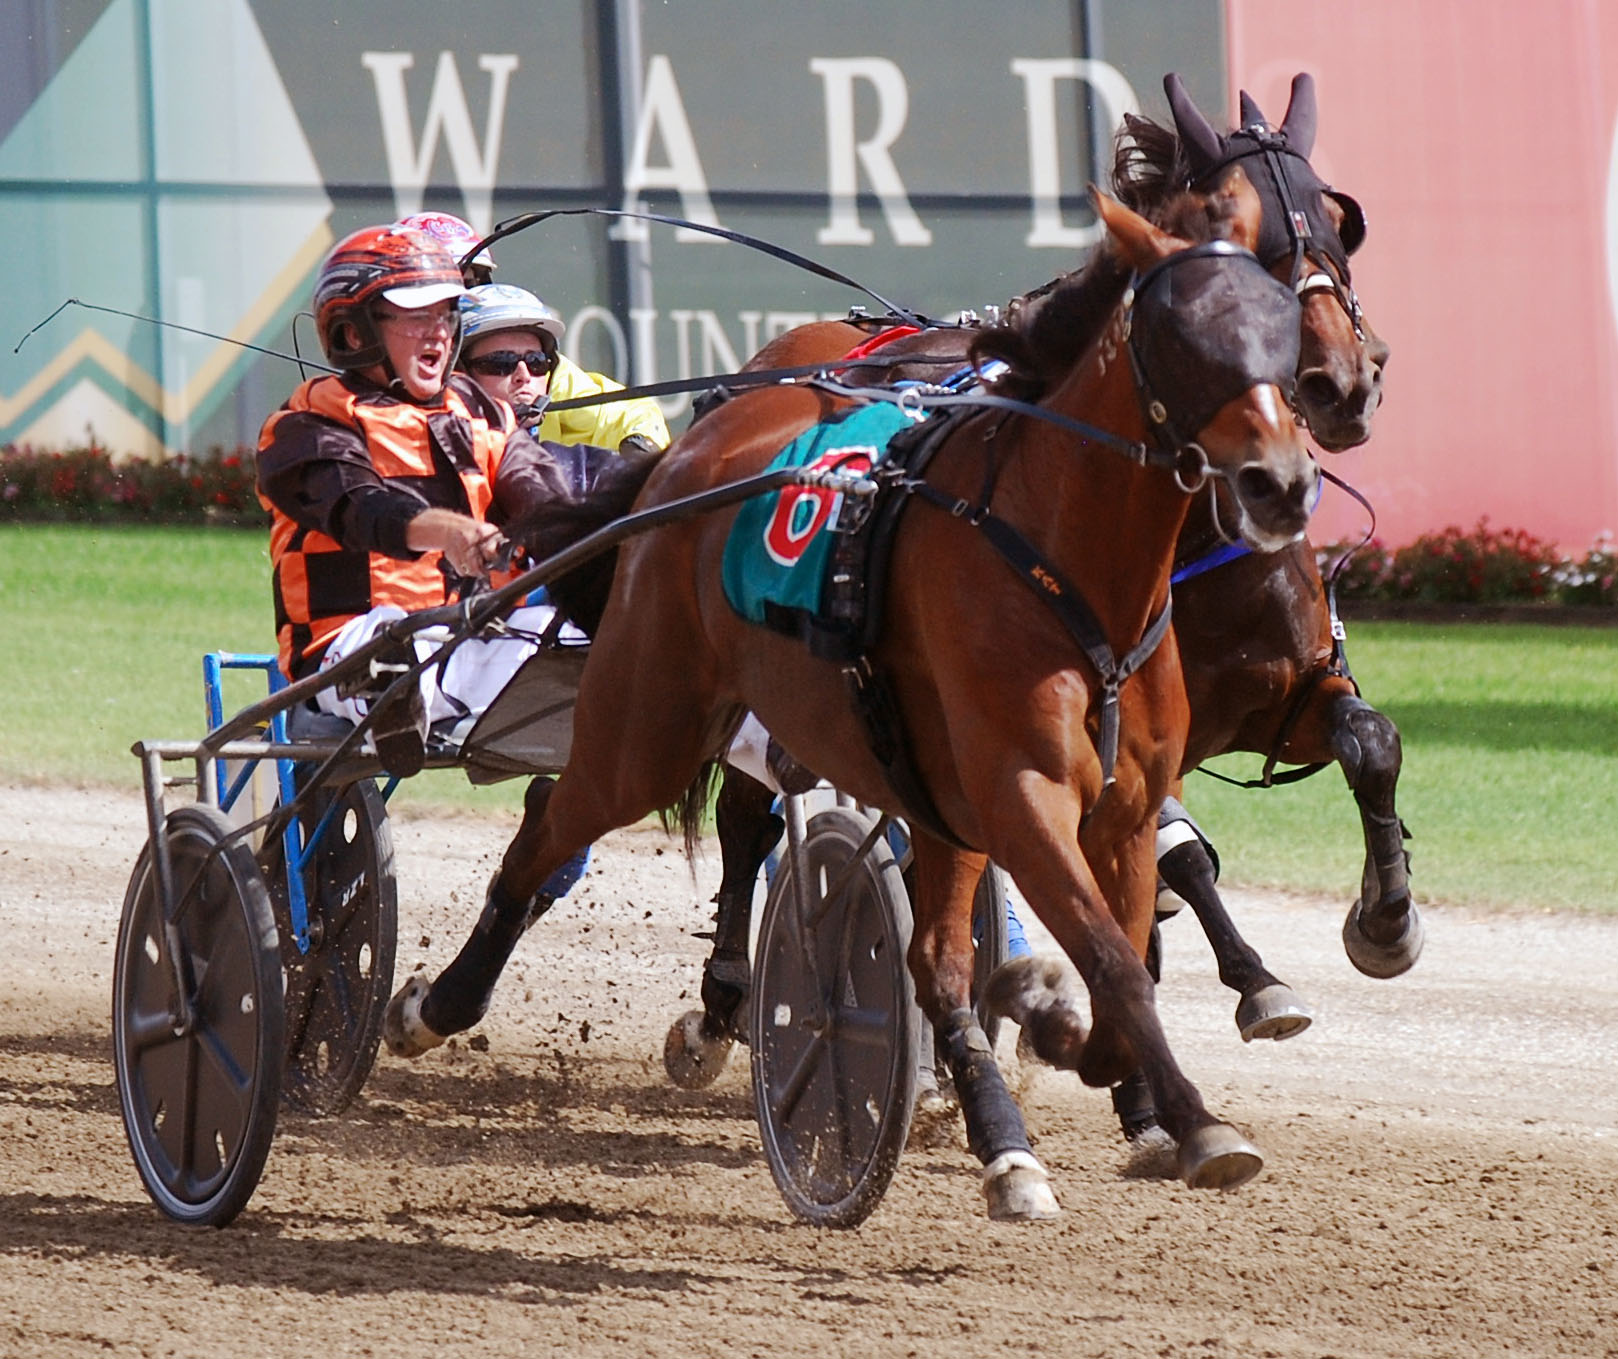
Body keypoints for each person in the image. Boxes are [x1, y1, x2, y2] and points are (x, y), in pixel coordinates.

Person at [255, 222, 601, 772]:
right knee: (386, 643)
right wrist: (448, 531)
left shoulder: (482, 410)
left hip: (478, 635)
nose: (438, 333)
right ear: (354, 332)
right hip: (347, 648)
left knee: (596, 633)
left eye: (445, 315)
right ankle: (393, 702)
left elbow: (539, 490)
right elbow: (361, 508)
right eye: (417, 317)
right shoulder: (306, 424)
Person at [459, 282, 669, 458]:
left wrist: (639, 456)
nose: (524, 376)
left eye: (536, 361)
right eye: (501, 362)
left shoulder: (557, 383)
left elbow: (635, 414)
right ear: (460, 372)